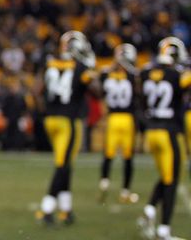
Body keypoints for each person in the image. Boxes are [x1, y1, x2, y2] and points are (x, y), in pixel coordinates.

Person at [36, 30, 97, 226]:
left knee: (66, 163)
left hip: (50, 120)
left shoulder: (50, 62)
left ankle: (66, 209)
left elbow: (36, 90)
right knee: (63, 165)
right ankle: (46, 208)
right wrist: (91, 69)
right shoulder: (80, 67)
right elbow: (97, 91)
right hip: (68, 121)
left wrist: (45, 109)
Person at [137, 37, 190, 240]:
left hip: (153, 132)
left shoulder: (147, 73)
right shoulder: (177, 75)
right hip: (170, 133)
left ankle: (150, 210)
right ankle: (164, 230)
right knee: (173, 179)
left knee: (167, 176)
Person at [97, 43, 140, 204]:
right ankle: (125, 191)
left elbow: (100, 84)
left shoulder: (107, 74)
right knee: (128, 157)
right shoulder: (133, 76)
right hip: (127, 120)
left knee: (108, 154)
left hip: (112, 118)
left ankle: (104, 183)